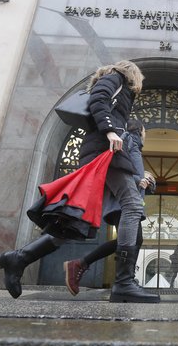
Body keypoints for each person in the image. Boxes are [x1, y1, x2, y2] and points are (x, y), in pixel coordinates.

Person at [0, 60, 159, 303]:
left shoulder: (115, 84)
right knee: (133, 206)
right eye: (140, 80)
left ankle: (21, 257)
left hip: (100, 152)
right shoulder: (117, 77)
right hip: (107, 152)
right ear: (133, 74)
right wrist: (111, 131)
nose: (139, 85)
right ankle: (124, 282)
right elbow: (99, 101)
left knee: (77, 220)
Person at [63, 118, 158, 302]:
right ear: (139, 130)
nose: (146, 135)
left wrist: (144, 178)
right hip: (123, 202)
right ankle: (111, 277)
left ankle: (123, 281)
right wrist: (140, 177)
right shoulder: (130, 139)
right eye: (145, 131)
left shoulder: (132, 144)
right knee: (134, 239)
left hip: (124, 202)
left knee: (133, 239)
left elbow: (131, 172)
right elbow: (120, 167)